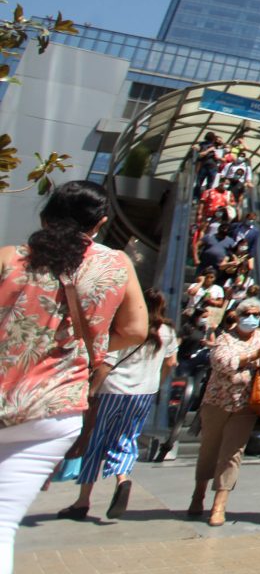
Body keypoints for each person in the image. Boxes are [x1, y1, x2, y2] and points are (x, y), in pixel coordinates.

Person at [0, 182, 146, 573]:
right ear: (98, 223)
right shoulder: (117, 264)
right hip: (56, 411)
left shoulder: (11, 258)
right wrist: (92, 346)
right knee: (2, 524)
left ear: (46, 216)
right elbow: (135, 330)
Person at [60, 287, 178, 520]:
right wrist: (156, 381)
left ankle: (83, 501)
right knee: (126, 438)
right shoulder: (168, 332)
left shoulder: (126, 327)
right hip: (144, 393)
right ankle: (122, 478)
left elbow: (106, 364)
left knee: (95, 440)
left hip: (112, 391)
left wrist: (91, 391)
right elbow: (171, 363)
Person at [190, 296, 260, 526]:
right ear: (238, 316)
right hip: (217, 401)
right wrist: (253, 355)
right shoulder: (224, 339)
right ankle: (198, 492)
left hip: (247, 404)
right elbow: (222, 362)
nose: (252, 319)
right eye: (247, 314)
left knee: (233, 453)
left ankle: (219, 505)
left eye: (256, 314)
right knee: (209, 448)